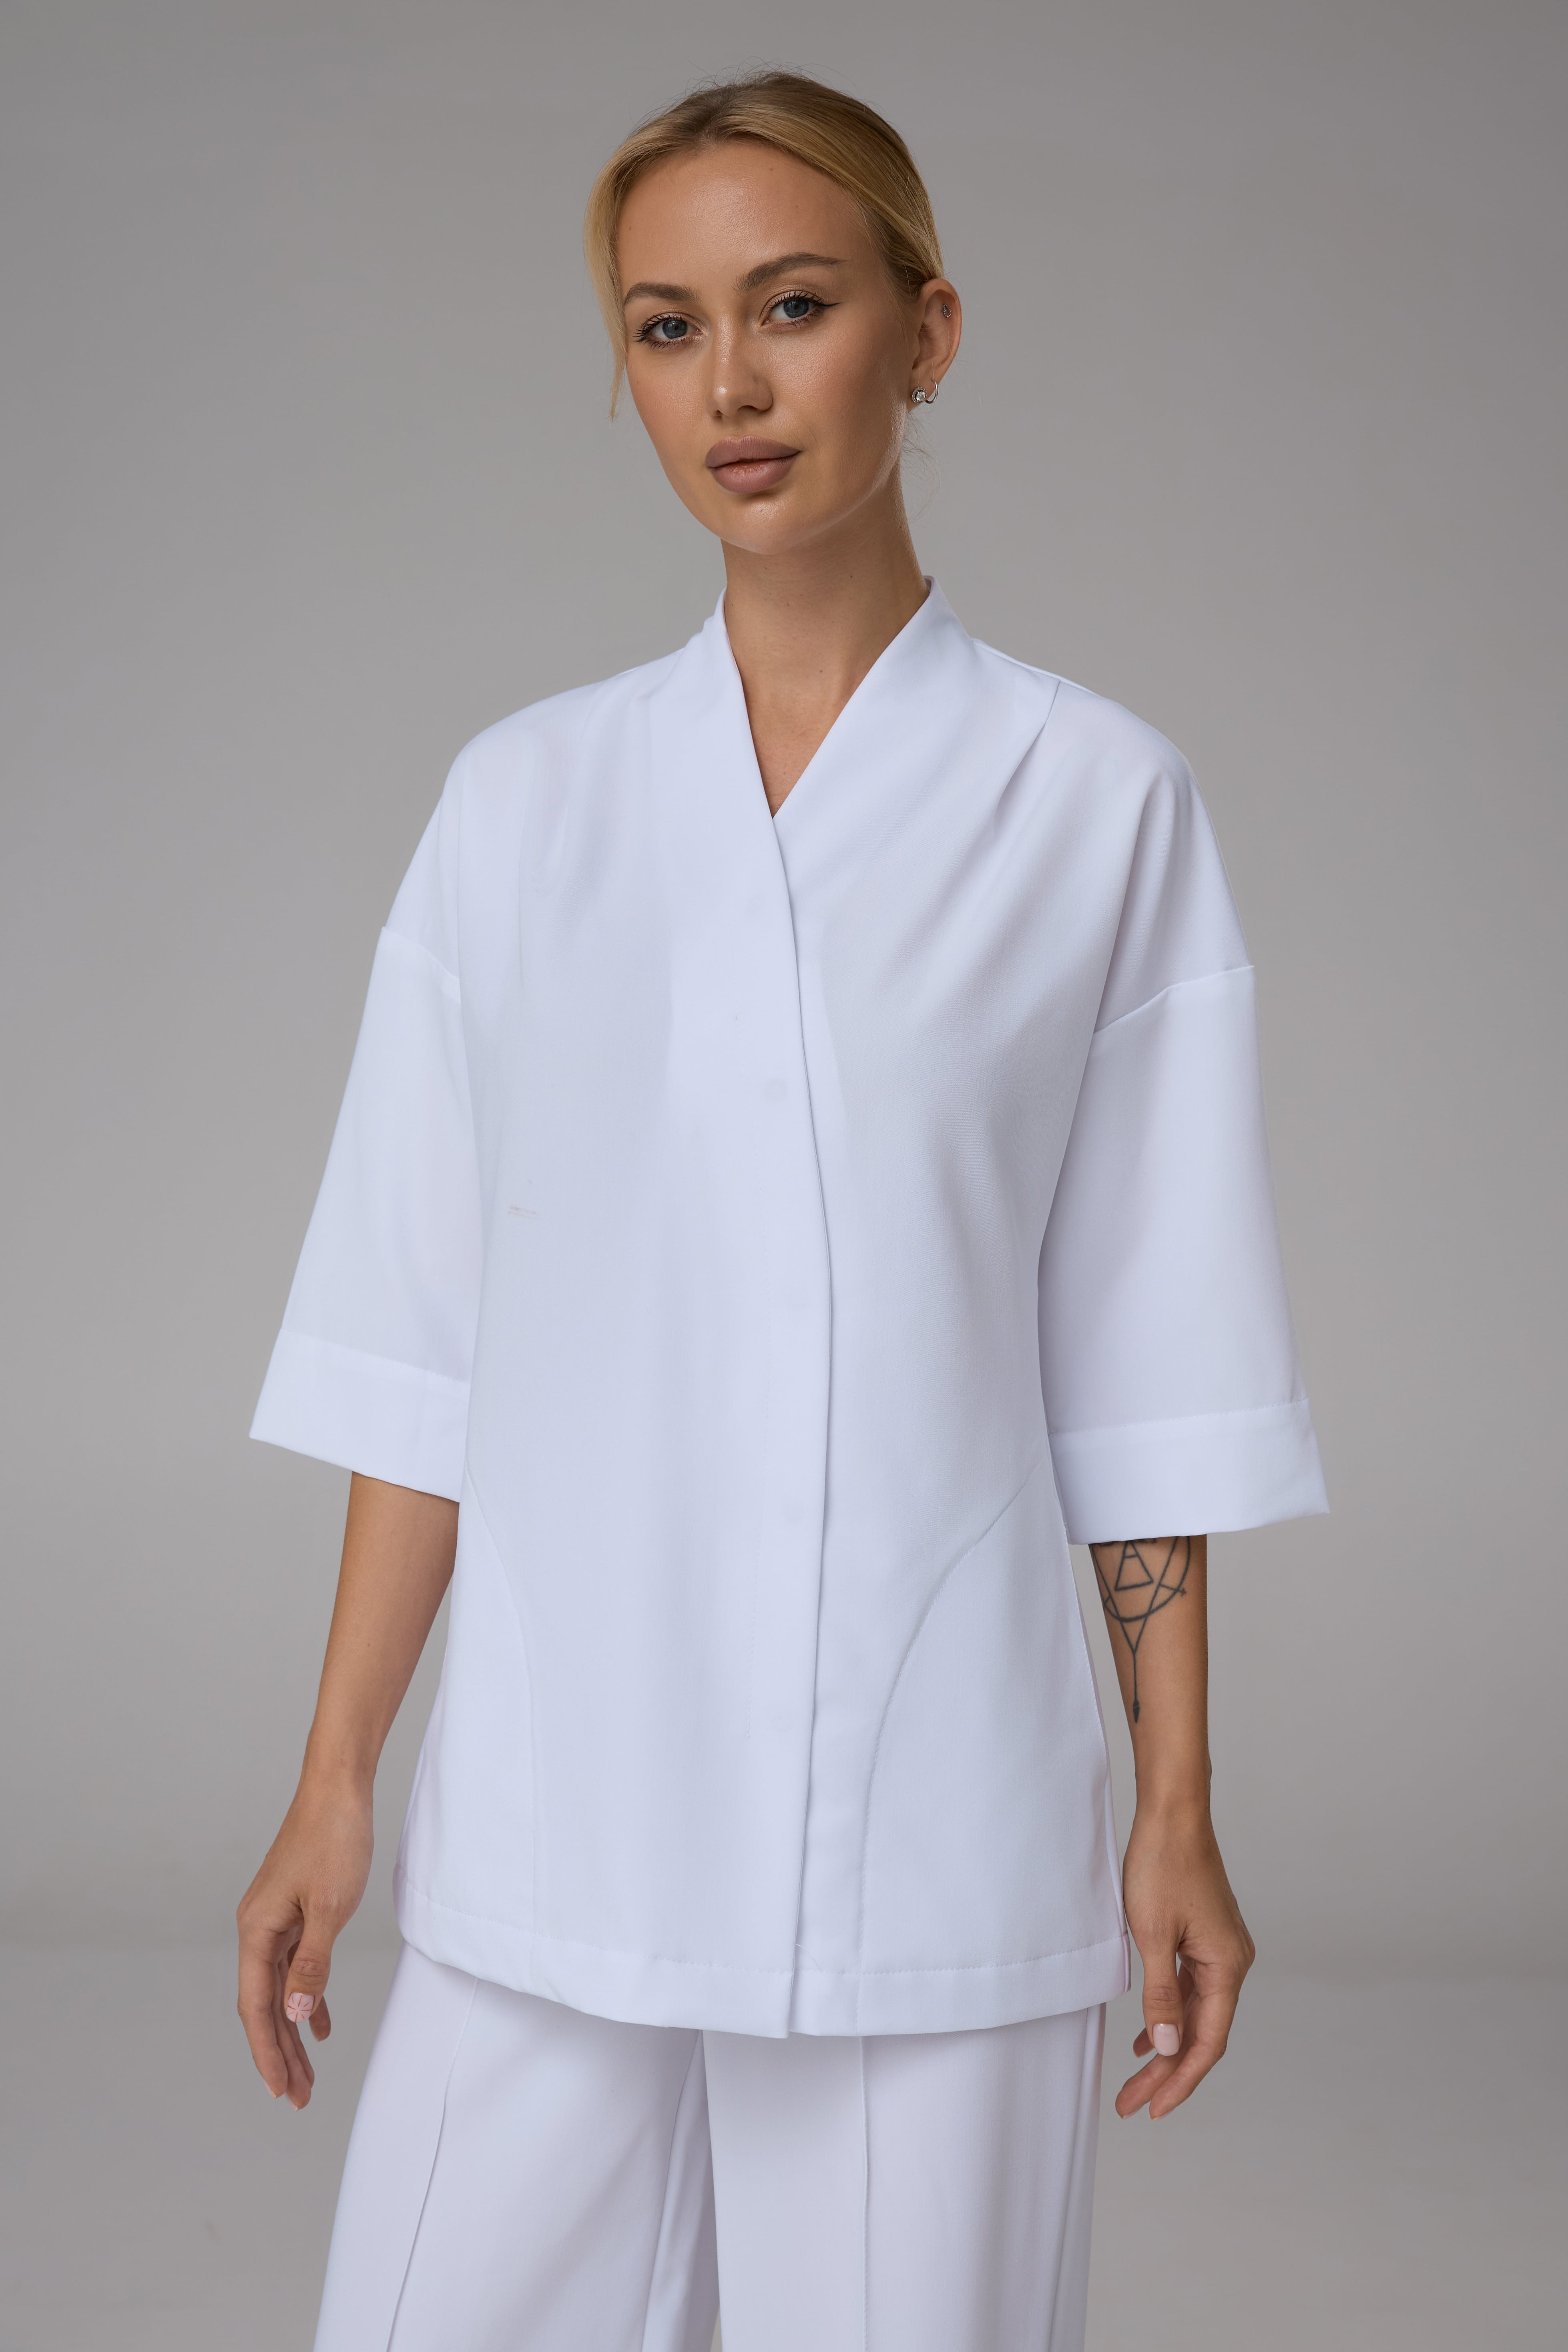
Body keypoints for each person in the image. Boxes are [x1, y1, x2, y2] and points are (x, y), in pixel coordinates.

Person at [237, 70, 1327, 2352]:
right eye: (666, 327)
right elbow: (422, 1349)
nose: (730, 383)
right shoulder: (523, 808)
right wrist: (337, 1781)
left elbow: (1147, 1360)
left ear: (928, 333)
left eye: (794, 305)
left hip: (932, 1827)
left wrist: (1177, 1803)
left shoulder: (1094, 804)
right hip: (557, 1811)